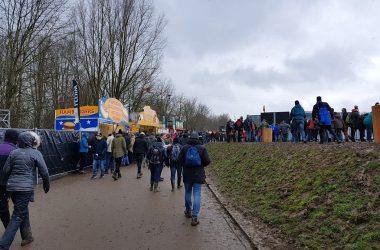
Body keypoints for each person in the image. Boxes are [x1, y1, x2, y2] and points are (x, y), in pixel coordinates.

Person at [0, 132, 50, 249]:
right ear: (31, 142)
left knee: (22, 209)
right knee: (17, 215)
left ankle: (27, 236)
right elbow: (44, 171)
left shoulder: (13, 152)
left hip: (12, 187)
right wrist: (46, 185)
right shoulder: (36, 153)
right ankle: (3, 245)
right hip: (25, 189)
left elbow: (6, 169)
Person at [178, 132, 210, 226]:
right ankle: (195, 217)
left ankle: (188, 211)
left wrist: (185, 164)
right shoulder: (202, 148)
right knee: (197, 194)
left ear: (190, 138)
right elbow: (207, 161)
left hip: (187, 174)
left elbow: (179, 161)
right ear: (198, 138)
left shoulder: (184, 148)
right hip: (198, 174)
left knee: (187, 192)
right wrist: (200, 165)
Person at [0, 130, 19, 229]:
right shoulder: (16, 151)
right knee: (20, 208)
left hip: (3, 185)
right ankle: (22, 232)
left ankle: (8, 228)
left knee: (3, 206)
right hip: (14, 184)